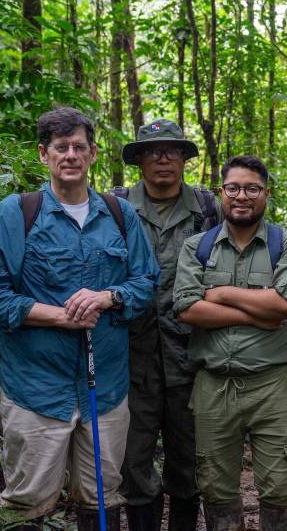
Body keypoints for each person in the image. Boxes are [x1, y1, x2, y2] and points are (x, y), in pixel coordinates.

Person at [0, 107, 159, 530]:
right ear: (44, 154)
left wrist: (107, 297)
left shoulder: (119, 213)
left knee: (102, 496)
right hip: (36, 388)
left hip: (106, 388)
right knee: (27, 501)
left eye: (79, 147)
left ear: (93, 154)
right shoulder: (17, 212)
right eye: (61, 148)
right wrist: (59, 317)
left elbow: (145, 281)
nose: (70, 155)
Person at [173, 156, 287, 531]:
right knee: (216, 487)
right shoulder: (197, 248)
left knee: (279, 486)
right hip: (213, 384)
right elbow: (186, 308)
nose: (242, 196)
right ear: (221, 193)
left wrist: (217, 293)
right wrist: (258, 313)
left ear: (266, 194)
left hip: (273, 384)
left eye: (252, 188)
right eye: (233, 188)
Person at [117, 118, 221, 530]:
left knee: (189, 464)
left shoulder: (209, 209)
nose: (163, 158)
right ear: (139, 160)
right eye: (153, 151)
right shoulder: (117, 207)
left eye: (172, 150)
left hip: (192, 360)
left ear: (183, 159)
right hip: (130, 360)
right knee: (133, 463)